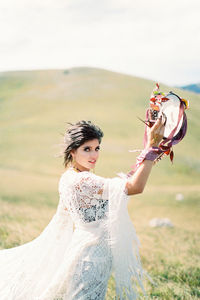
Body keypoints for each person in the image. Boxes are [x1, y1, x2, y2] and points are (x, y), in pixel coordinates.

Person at [0, 117, 165, 300]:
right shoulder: (83, 181)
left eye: (97, 148)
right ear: (72, 152)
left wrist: (150, 154)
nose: (93, 155)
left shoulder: (70, 177)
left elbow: (122, 184)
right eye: (87, 149)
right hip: (90, 259)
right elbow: (134, 187)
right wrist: (151, 148)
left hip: (91, 255)